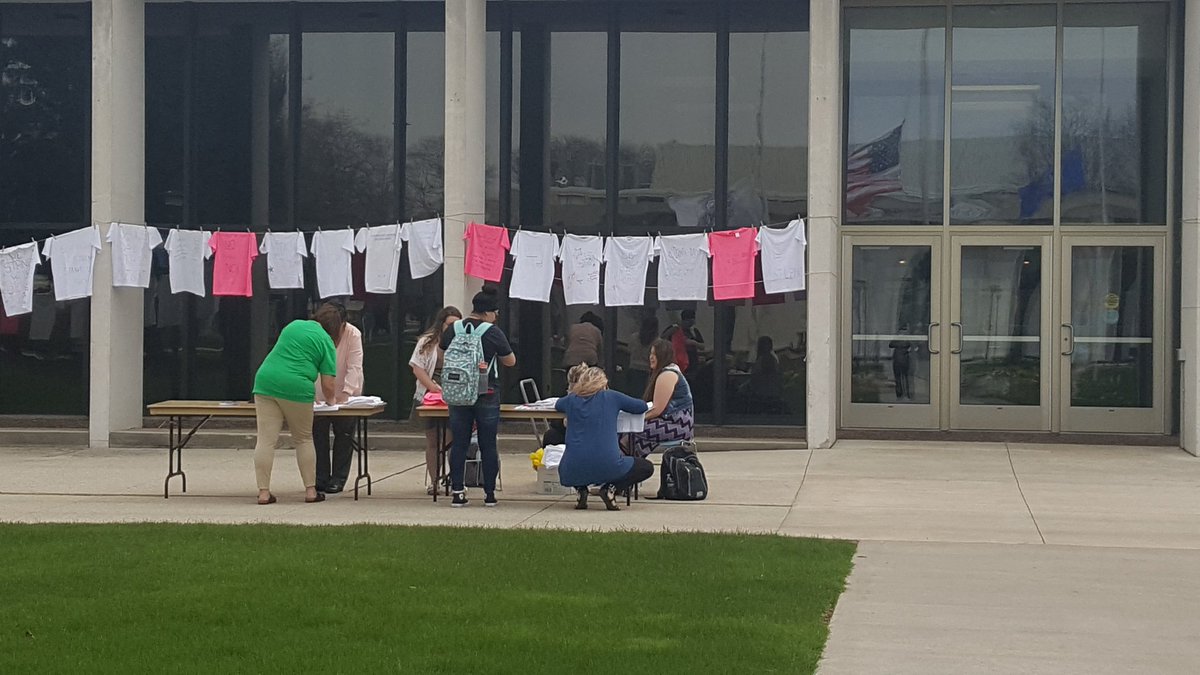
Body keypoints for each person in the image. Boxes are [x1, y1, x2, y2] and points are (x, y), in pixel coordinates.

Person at [250, 308, 341, 505]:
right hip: (297, 387)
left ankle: (263, 493)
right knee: (304, 439)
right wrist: (331, 401)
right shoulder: (326, 342)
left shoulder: (293, 326)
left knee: (266, 440)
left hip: (265, 381)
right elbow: (328, 383)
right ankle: (310, 491)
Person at [439, 285, 516, 507]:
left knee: (459, 442)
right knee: (487, 443)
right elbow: (510, 361)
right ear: (489, 312)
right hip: (486, 392)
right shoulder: (492, 332)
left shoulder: (453, 328)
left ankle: (457, 492)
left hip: (458, 392)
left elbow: (442, 355)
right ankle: (489, 494)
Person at [555, 364, 655, 511]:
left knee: (576, 460)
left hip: (570, 469)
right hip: (609, 465)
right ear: (604, 383)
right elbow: (641, 406)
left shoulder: (571, 400)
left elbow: (558, 404)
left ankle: (581, 489)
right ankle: (609, 488)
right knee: (646, 467)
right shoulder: (612, 396)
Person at [409, 305, 463, 494]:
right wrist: (432, 387)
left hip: (454, 391)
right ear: (441, 324)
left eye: (457, 324)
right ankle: (434, 481)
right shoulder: (427, 342)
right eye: (450, 324)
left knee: (449, 439)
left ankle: (451, 477)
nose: (453, 328)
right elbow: (417, 367)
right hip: (429, 391)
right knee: (432, 440)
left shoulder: (463, 341)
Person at [312, 302, 364, 494]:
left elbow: (354, 366)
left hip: (346, 393)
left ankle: (338, 478)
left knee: (344, 435)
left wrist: (346, 393)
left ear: (343, 324)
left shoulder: (353, 335)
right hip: (319, 392)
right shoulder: (317, 334)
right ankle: (320, 478)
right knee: (319, 435)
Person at [628, 338, 695, 458]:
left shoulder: (667, 374)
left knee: (631, 429)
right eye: (651, 354)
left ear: (663, 356)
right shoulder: (666, 372)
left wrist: (634, 419)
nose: (651, 357)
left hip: (677, 426)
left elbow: (657, 409)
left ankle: (628, 464)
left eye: (655, 354)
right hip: (671, 423)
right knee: (629, 429)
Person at [662, 309, 703, 374]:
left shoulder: (694, 331)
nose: (690, 325)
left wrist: (693, 343)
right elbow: (663, 339)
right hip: (677, 362)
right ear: (683, 320)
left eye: (692, 323)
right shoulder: (674, 329)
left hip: (692, 363)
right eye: (688, 322)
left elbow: (702, 346)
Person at [625, 314, 659, 394]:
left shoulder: (633, 337)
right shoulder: (657, 341)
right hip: (647, 372)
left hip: (633, 369)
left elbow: (628, 351)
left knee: (632, 394)